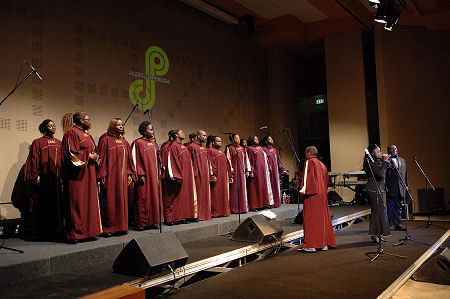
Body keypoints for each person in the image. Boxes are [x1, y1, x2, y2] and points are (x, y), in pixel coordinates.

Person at [61, 112, 102, 243]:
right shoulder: (71, 133)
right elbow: (71, 154)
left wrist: (95, 156)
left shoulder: (87, 135)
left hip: (89, 173)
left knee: (89, 202)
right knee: (77, 202)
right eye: (88, 119)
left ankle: (89, 231)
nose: (90, 121)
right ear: (80, 120)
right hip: (77, 175)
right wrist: (88, 156)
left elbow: (93, 151)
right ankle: (75, 233)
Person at [25, 119, 62, 241]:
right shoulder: (38, 142)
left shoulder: (59, 142)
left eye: (54, 125)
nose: (53, 127)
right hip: (44, 179)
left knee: (56, 205)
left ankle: (55, 231)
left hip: (56, 179)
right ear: (44, 128)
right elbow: (34, 160)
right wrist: (36, 176)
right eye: (50, 125)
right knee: (42, 206)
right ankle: (41, 233)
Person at [97, 118, 135, 236]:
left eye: (122, 125)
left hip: (122, 178)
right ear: (112, 126)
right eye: (118, 125)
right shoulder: (106, 140)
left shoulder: (125, 142)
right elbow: (101, 158)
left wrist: (130, 174)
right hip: (110, 177)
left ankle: (121, 226)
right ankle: (108, 228)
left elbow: (130, 161)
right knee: (109, 201)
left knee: (122, 201)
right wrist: (102, 174)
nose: (120, 127)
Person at [298, 146, 336, 252]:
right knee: (321, 221)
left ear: (309, 153)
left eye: (306, 152)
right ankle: (323, 244)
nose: (305, 154)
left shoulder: (309, 162)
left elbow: (307, 179)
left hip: (312, 195)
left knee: (311, 220)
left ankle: (311, 245)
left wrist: (303, 191)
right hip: (322, 195)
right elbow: (326, 180)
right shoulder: (322, 164)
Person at [130, 121, 163, 230]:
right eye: (150, 129)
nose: (152, 131)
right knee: (143, 198)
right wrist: (140, 174)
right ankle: (141, 222)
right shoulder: (137, 143)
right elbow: (135, 160)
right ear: (144, 131)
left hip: (154, 175)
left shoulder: (154, 143)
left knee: (154, 198)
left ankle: (152, 220)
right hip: (144, 176)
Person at [164, 129, 197, 224]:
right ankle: (171, 219)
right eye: (182, 132)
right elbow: (171, 161)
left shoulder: (182, 146)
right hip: (177, 177)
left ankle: (181, 217)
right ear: (176, 135)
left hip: (185, 175)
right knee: (174, 198)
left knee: (182, 198)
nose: (184, 133)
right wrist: (176, 175)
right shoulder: (173, 146)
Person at [363, 144, 391, 243]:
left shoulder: (377, 162)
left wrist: (385, 163)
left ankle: (379, 234)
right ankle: (374, 234)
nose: (381, 153)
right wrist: (385, 162)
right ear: (372, 153)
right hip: (374, 189)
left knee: (381, 212)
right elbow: (379, 174)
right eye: (378, 151)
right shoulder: (370, 162)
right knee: (377, 212)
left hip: (380, 188)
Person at [188, 130, 211, 221]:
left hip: (205, 175)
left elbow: (208, 162)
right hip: (196, 175)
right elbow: (189, 162)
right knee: (197, 194)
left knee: (205, 195)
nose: (205, 137)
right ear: (198, 136)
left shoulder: (205, 149)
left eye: (206, 136)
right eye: (204, 135)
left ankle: (205, 214)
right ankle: (196, 215)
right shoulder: (191, 147)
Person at [246, 135, 273, 210]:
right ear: (251, 140)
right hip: (255, 171)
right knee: (255, 189)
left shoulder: (260, 148)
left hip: (263, 171)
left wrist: (268, 167)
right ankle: (254, 206)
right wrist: (250, 170)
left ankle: (264, 204)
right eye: (255, 139)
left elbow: (266, 158)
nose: (257, 139)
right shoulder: (249, 149)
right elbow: (249, 160)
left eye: (257, 138)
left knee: (263, 188)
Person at [208, 136, 233, 217]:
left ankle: (223, 211)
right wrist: (213, 174)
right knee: (216, 194)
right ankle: (215, 212)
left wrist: (230, 175)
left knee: (224, 193)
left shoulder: (221, 152)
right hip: (217, 176)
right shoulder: (210, 151)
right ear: (213, 142)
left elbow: (227, 165)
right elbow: (210, 163)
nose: (220, 143)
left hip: (224, 176)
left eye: (220, 141)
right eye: (218, 141)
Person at [225, 134, 250, 214]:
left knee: (242, 189)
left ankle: (243, 208)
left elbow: (246, 160)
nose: (238, 140)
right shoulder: (230, 148)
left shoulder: (242, 149)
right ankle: (234, 208)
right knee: (234, 190)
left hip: (242, 173)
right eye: (236, 138)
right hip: (234, 172)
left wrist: (247, 170)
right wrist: (230, 171)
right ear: (232, 139)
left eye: (239, 138)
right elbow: (228, 160)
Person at [261, 136, 288, 208]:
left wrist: (283, 169)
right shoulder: (263, 149)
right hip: (267, 171)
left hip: (275, 171)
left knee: (275, 186)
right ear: (266, 141)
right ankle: (269, 203)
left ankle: (276, 202)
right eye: (270, 139)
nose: (272, 140)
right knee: (269, 187)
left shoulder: (275, 150)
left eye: (272, 139)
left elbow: (279, 161)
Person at [385, 145, 408, 231]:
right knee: (389, 207)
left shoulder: (402, 160)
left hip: (400, 187)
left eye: (395, 148)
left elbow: (405, 175)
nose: (394, 149)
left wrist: (406, 185)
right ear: (388, 150)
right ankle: (387, 225)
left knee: (398, 207)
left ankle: (398, 224)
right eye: (392, 148)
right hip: (390, 187)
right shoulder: (386, 160)